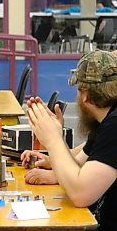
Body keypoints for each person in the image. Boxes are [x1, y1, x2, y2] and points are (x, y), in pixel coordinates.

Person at [25, 50, 117, 230]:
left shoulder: (114, 126)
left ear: (85, 95)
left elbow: (80, 193)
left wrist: (53, 140)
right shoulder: (106, 122)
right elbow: (80, 163)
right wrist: (55, 151)